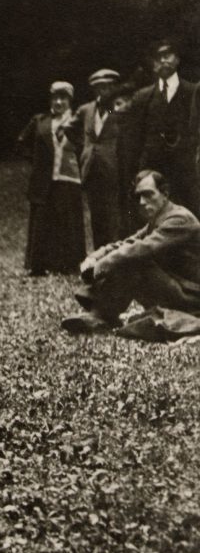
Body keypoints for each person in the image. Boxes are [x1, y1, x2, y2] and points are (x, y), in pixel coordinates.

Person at [60, 169, 200, 334]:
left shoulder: (180, 219)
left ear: (165, 194)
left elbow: (142, 248)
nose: (141, 202)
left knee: (134, 259)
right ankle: (99, 313)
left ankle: (101, 315)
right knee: (128, 254)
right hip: (177, 288)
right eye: (138, 196)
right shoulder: (158, 219)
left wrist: (100, 267)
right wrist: (94, 257)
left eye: (148, 194)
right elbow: (127, 242)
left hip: (191, 297)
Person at [122, 39, 200, 218]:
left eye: (167, 55)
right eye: (158, 58)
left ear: (177, 60)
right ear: (153, 64)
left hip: (184, 170)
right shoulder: (143, 97)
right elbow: (134, 139)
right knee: (153, 216)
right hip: (153, 168)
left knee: (188, 214)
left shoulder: (192, 91)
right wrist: (136, 171)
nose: (163, 61)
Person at [16, 81, 86, 276]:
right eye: (55, 98)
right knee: (42, 221)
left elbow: (85, 146)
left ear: (70, 101)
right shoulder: (40, 121)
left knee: (68, 221)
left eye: (63, 98)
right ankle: (38, 264)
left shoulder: (77, 121)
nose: (58, 102)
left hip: (69, 177)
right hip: (44, 178)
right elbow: (22, 143)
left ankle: (69, 265)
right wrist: (37, 161)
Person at [65, 69, 125, 250]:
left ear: (115, 88)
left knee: (114, 216)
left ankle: (115, 258)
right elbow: (69, 129)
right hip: (92, 168)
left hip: (115, 168)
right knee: (96, 216)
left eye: (107, 87)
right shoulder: (86, 110)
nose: (103, 91)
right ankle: (99, 257)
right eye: (99, 87)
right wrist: (84, 148)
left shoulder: (123, 109)